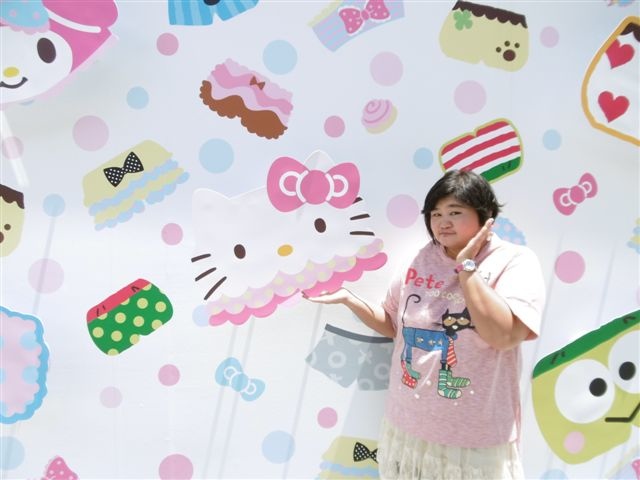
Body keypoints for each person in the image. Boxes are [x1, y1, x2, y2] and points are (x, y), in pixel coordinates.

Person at [303, 169, 546, 480]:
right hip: (408, 428)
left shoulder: (514, 261)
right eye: (435, 213)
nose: (443, 222)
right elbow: (395, 325)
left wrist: (467, 268)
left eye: (455, 212)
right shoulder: (418, 259)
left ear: (485, 216)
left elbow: (503, 336)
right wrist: (351, 299)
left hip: (474, 440)